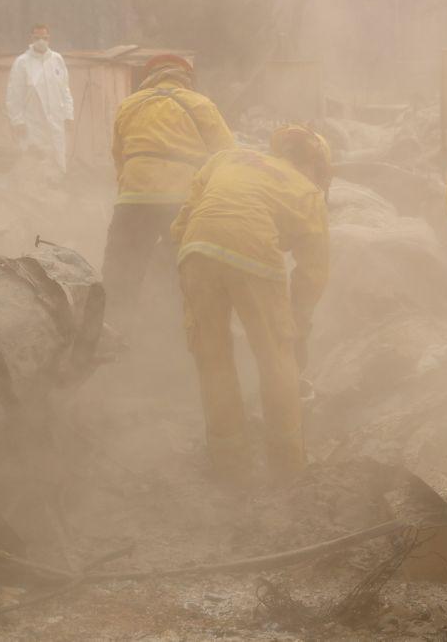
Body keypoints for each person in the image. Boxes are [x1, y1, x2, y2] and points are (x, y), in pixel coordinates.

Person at [171, 126, 331, 486]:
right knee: (276, 357)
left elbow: (185, 217)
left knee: (212, 359)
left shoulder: (227, 158)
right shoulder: (307, 192)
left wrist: (190, 247)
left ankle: (229, 468)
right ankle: (287, 468)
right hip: (254, 252)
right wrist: (297, 322)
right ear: (314, 165)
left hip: (195, 250)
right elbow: (313, 270)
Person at [103, 54, 234, 332]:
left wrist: (128, 191)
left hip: (133, 198)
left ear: (149, 78)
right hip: (181, 200)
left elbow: (119, 157)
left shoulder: (129, 105)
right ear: (186, 78)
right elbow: (227, 156)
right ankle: (177, 332)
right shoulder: (201, 104)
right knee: (183, 268)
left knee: (121, 271)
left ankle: (113, 332)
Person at [5, 24, 74, 172]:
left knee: (58, 157)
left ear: (49, 38)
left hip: (56, 120)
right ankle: (36, 185)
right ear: (31, 38)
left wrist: (68, 115)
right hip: (33, 122)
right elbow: (14, 95)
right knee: (36, 160)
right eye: (37, 38)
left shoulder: (57, 60)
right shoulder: (22, 62)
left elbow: (65, 90)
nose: (41, 41)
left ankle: (59, 183)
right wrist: (17, 120)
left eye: (44, 37)